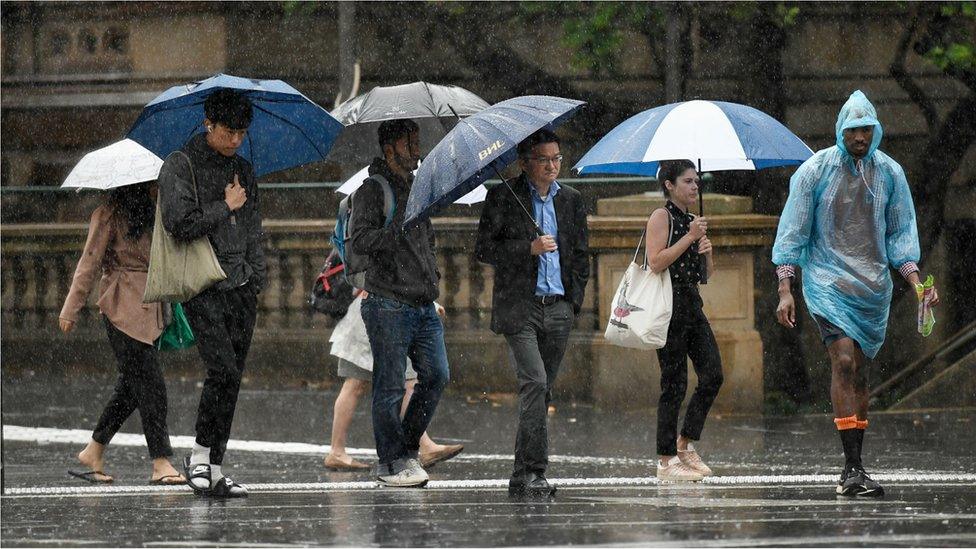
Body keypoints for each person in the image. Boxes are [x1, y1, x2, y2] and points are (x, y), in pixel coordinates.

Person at [773, 90, 939, 498]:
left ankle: (856, 464)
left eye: (866, 128)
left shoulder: (891, 174)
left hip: (872, 289)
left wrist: (917, 284)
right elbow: (792, 232)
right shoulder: (814, 171)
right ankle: (852, 468)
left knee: (861, 371)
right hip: (827, 283)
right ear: (840, 131)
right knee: (843, 361)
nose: (859, 136)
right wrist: (785, 287)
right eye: (852, 129)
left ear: (876, 130)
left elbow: (901, 237)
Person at [158, 88, 266, 498]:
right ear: (208, 124)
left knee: (233, 378)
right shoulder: (181, 165)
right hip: (202, 285)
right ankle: (200, 454)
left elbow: (255, 225)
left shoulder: (244, 169)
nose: (235, 140)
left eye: (241, 132)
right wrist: (225, 205)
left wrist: (258, 274)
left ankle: (215, 466)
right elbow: (178, 223)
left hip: (241, 285)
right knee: (221, 369)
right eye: (228, 131)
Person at [475, 129, 590, 498]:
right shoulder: (503, 197)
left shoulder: (571, 201)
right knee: (536, 384)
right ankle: (535, 471)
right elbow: (484, 249)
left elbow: (580, 256)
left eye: (557, 158)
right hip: (520, 309)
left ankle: (521, 473)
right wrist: (528, 248)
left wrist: (573, 303)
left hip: (558, 309)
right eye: (544, 159)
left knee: (541, 392)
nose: (553, 166)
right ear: (525, 163)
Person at [59, 181, 186, 486]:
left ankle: (94, 449)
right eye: (153, 183)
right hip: (121, 307)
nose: (158, 186)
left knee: (131, 387)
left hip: (150, 307)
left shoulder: (157, 214)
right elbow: (88, 263)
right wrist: (70, 307)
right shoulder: (108, 215)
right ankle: (160, 461)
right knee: (151, 386)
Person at [350, 119, 449, 488]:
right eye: (410, 143)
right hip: (387, 302)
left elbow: (428, 241)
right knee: (389, 385)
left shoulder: (417, 188)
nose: (417, 150)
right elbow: (360, 240)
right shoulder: (372, 191)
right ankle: (390, 462)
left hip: (422, 302)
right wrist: (398, 232)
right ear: (390, 148)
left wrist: (431, 277)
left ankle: (406, 448)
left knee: (437, 374)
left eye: (417, 142)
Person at [643, 160, 723, 482]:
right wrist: (689, 238)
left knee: (713, 375)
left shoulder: (693, 221)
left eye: (697, 181)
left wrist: (707, 251)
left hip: (692, 306)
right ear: (669, 185)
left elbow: (706, 275)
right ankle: (665, 461)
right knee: (673, 383)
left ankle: (685, 442)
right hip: (668, 307)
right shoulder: (661, 217)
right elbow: (655, 261)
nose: (694, 187)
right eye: (688, 181)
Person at [324, 291, 463, 471]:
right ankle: (337, 450)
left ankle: (424, 445)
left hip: (387, 314)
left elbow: (406, 276)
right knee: (356, 384)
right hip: (374, 318)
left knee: (406, 381)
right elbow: (394, 279)